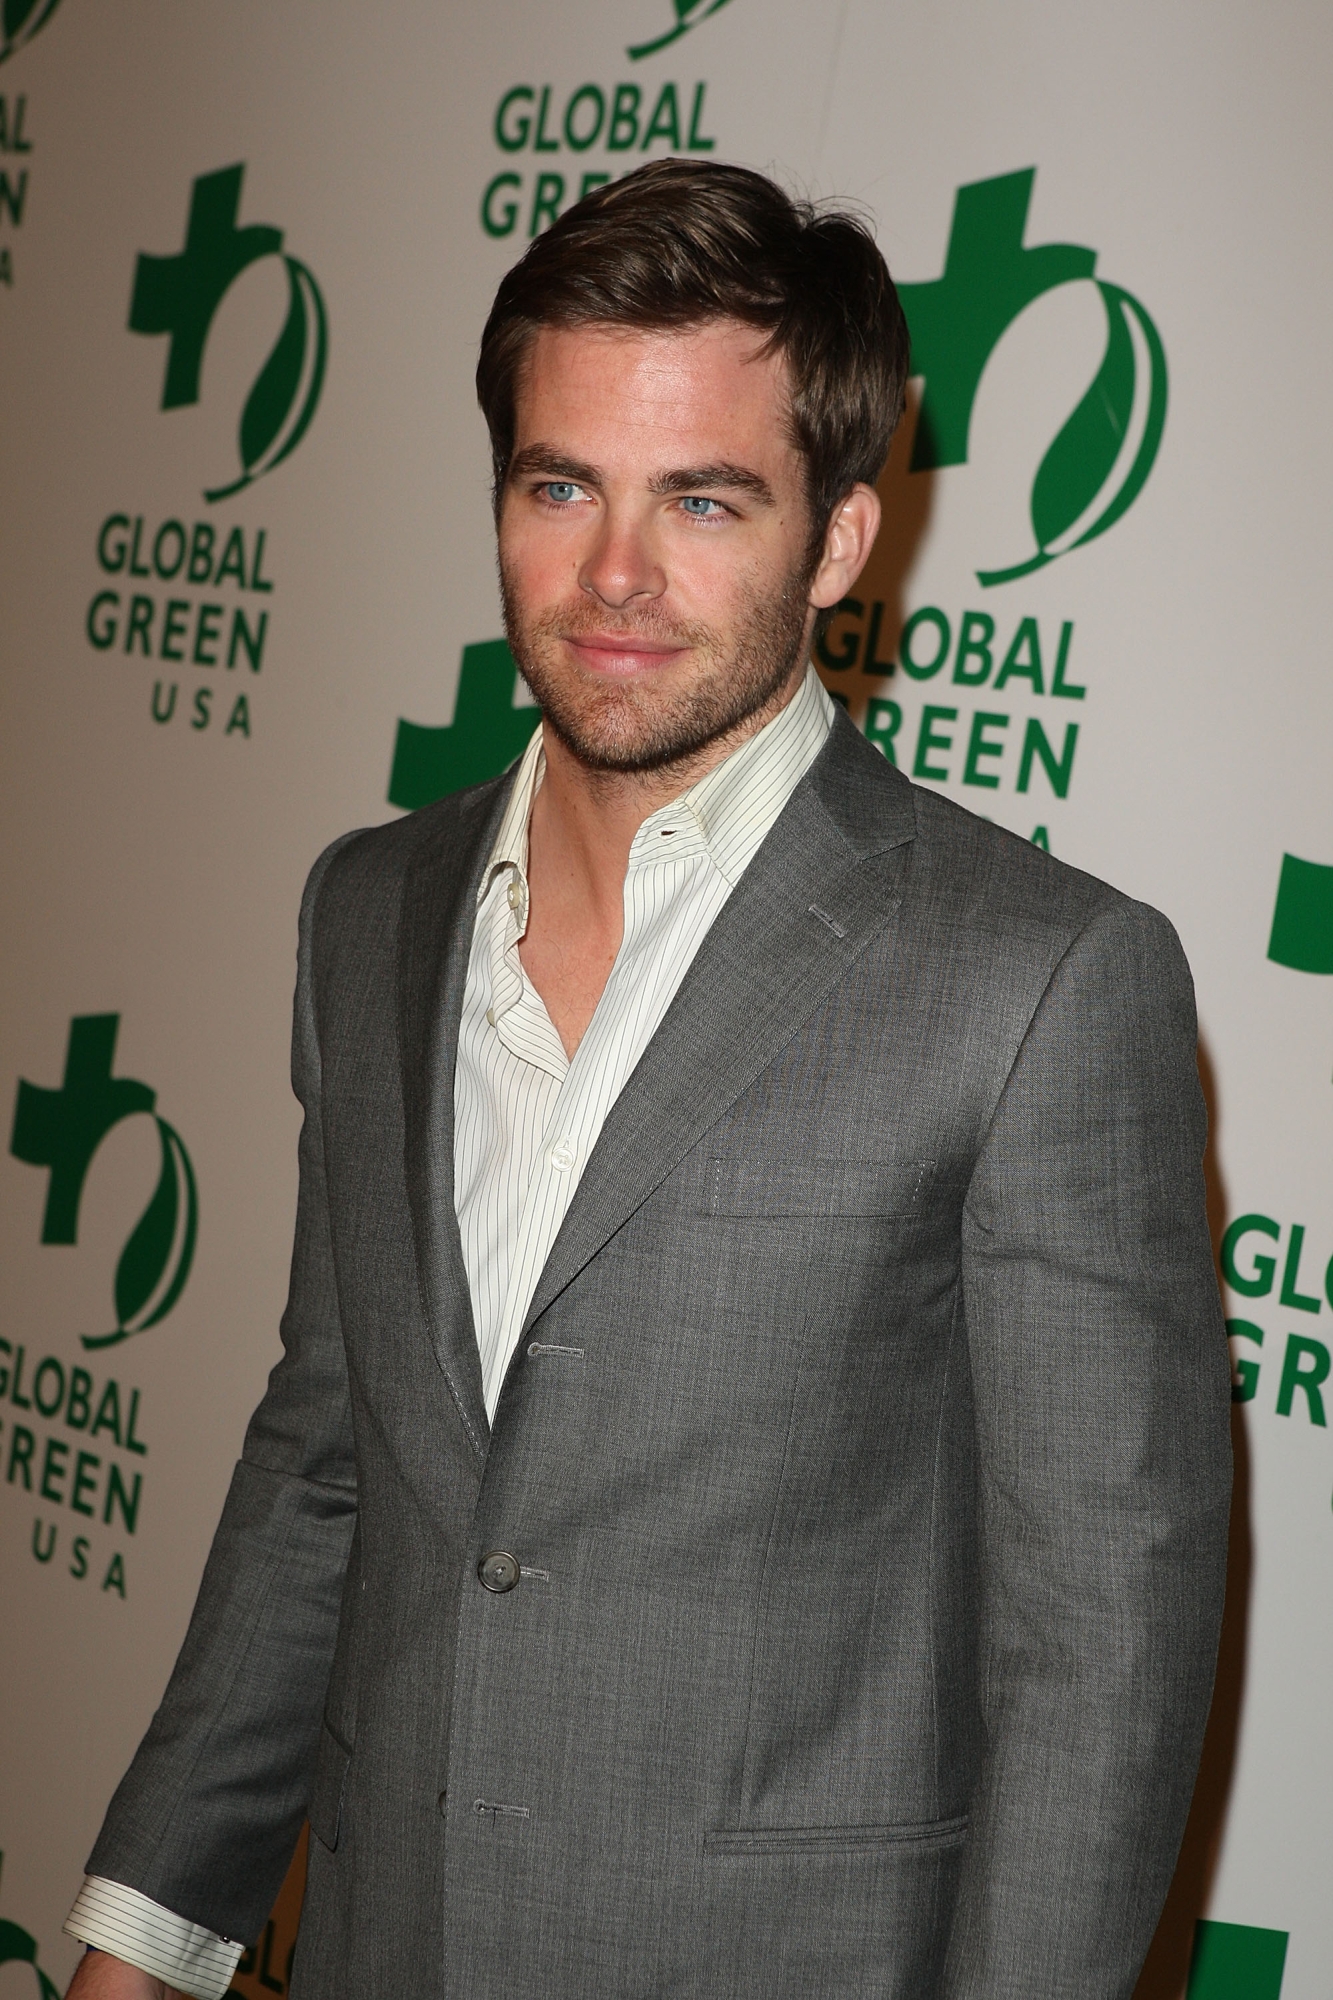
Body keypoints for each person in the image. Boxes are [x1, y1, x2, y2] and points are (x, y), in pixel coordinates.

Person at [64, 159, 1231, 2000]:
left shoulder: (1039, 978)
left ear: (836, 541)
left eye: (701, 499)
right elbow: (323, 1467)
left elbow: (1101, 1654)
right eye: (560, 488)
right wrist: (142, 1935)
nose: (613, 574)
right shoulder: (366, 913)